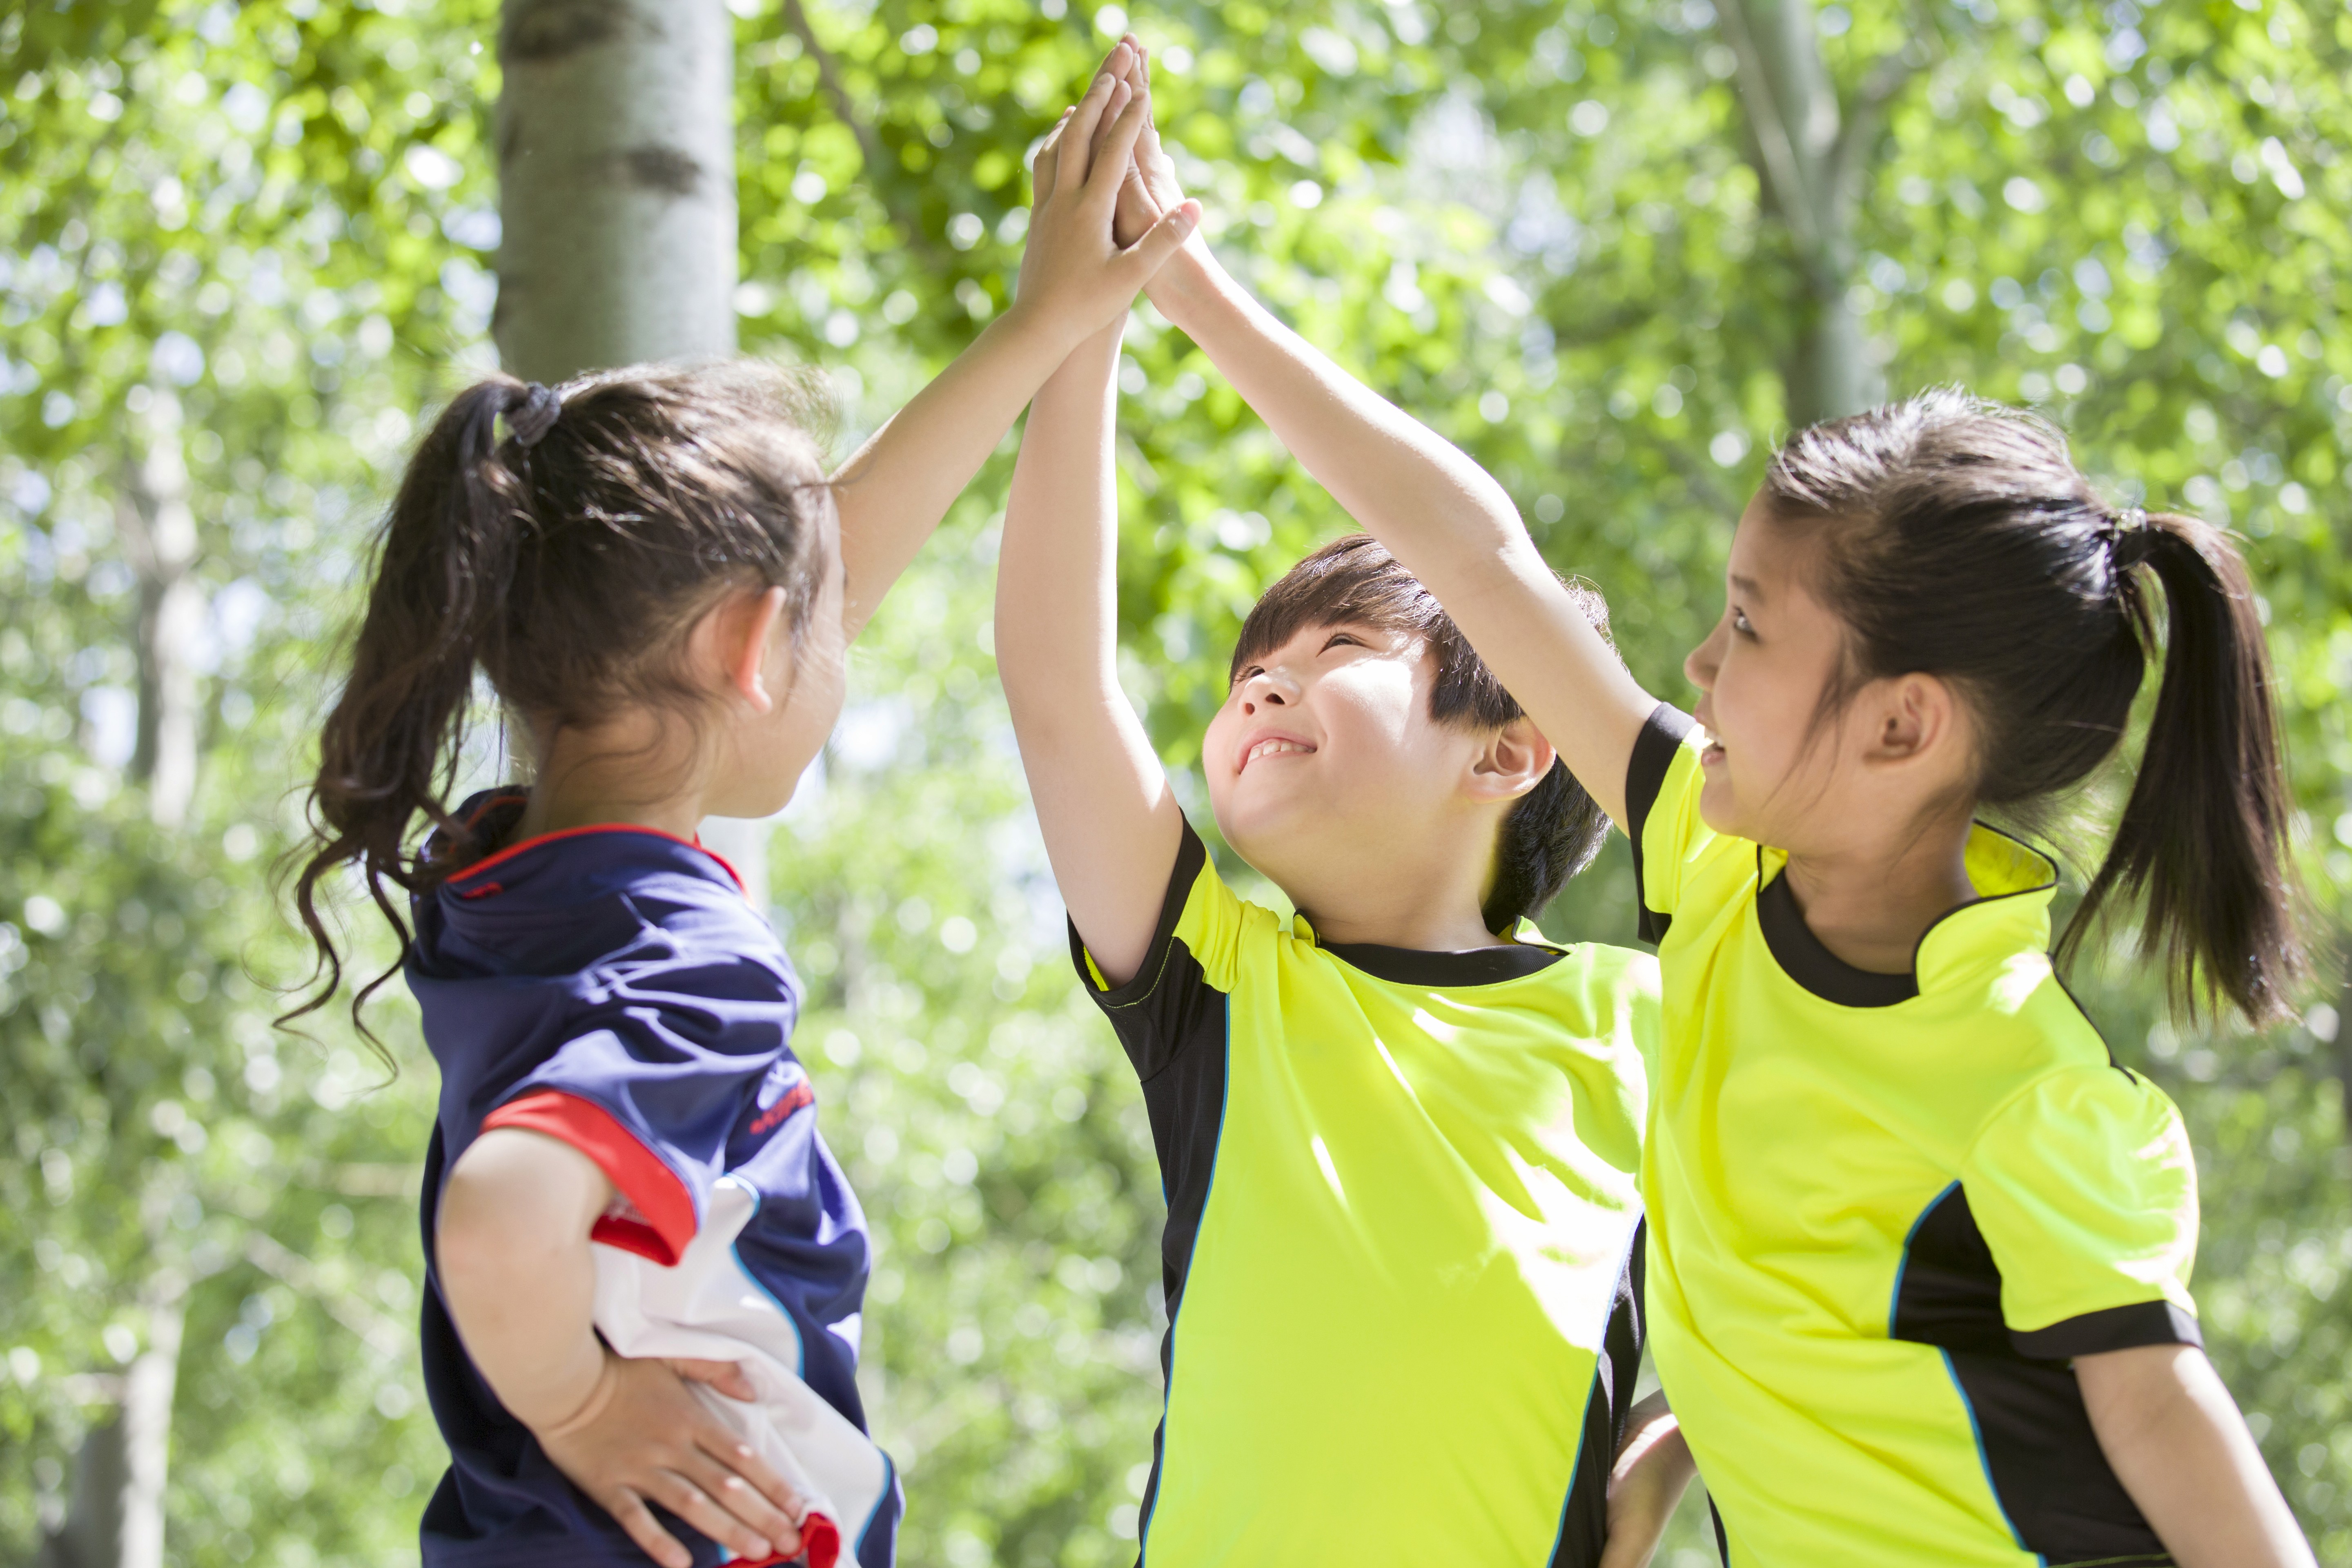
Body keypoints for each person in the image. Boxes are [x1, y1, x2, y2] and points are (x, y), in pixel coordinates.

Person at [1101, 53, 2316, 1560]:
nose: (1694, 660)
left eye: (1747, 628)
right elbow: (1480, 557)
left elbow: (2168, 1429)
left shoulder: (2032, 1095)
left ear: (1900, 727)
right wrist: (1188, 289)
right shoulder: (1718, 865)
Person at [286, 60, 1199, 1568]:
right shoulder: (687, 955)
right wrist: (579, 1408)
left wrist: (1049, 327)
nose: (855, 635)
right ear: (751, 648)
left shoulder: (516, 878)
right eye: (829, 625)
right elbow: (501, 1215)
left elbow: (799, 575)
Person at [995, 52, 1692, 1568]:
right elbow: (1056, 677)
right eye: (1250, 667)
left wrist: (1662, 1462)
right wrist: (1078, 325)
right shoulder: (1222, 985)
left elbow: (1794, 1275)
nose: (1258, 687)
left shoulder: (1650, 1022)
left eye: (1332, 656)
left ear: (1508, 751)